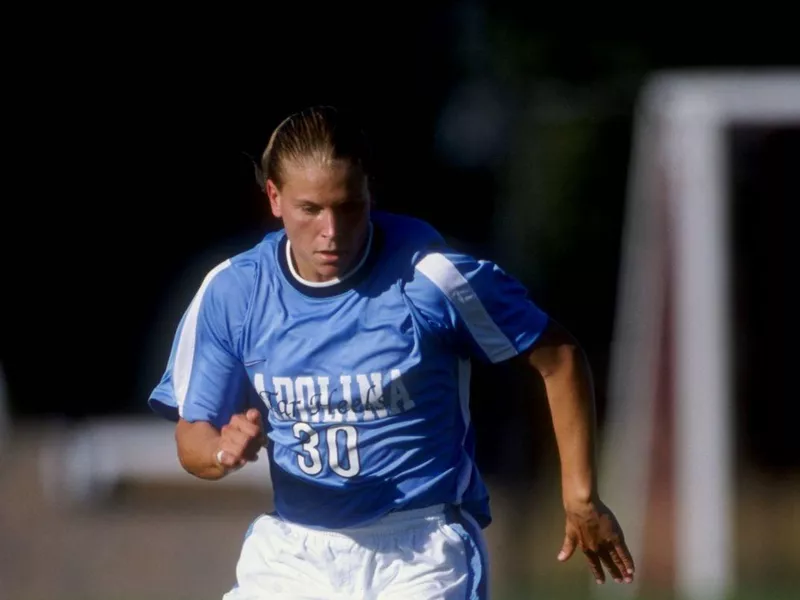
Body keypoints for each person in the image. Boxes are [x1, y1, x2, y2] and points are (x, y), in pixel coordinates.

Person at [148, 105, 635, 599]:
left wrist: (581, 498)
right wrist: (221, 451)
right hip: (294, 552)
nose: (331, 231)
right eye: (311, 209)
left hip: (420, 551)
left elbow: (559, 358)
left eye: (348, 206)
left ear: (369, 193)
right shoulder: (233, 292)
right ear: (274, 197)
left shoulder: (432, 280)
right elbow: (193, 435)